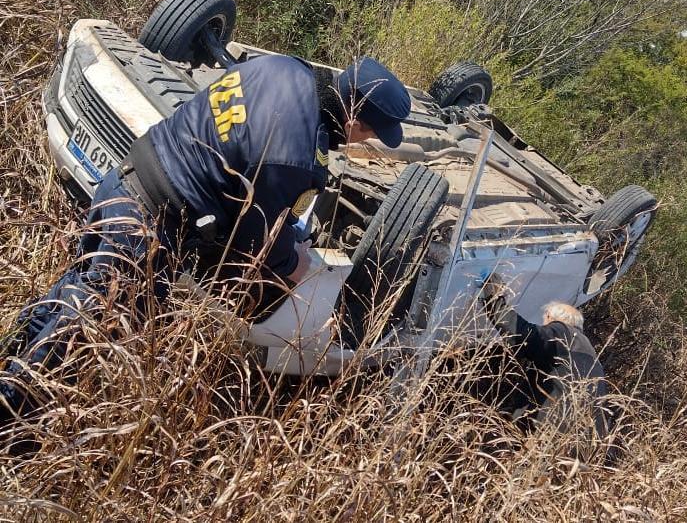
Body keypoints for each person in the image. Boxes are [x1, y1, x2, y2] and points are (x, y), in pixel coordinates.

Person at [0, 54, 411, 424]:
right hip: (150, 223)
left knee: (78, 288)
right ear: (355, 121)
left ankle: (10, 356)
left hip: (126, 177)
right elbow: (255, 247)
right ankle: (13, 412)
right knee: (90, 326)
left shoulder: (281, 68)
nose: (367, 141)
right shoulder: (295, 153)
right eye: (371, 134)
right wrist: (296, 263)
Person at [481, 278, 610, 438]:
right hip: (586, 440)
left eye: (544, 320)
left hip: (551, 432)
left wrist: (494, 299)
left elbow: (523, 334)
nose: (543, 324)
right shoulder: (588, 350)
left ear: (550, 317)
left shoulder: (562, 331)